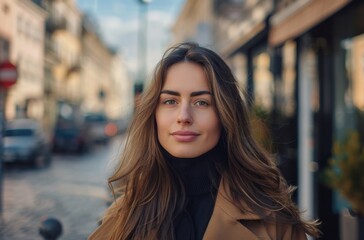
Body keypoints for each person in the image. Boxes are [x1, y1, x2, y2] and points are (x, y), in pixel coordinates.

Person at [89, 42, 320, 240]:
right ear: (153, 114)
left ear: (225, 114)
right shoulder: (122, 216)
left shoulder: (271, 218)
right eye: (170, 101)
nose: (184, 117)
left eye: (202, 103)